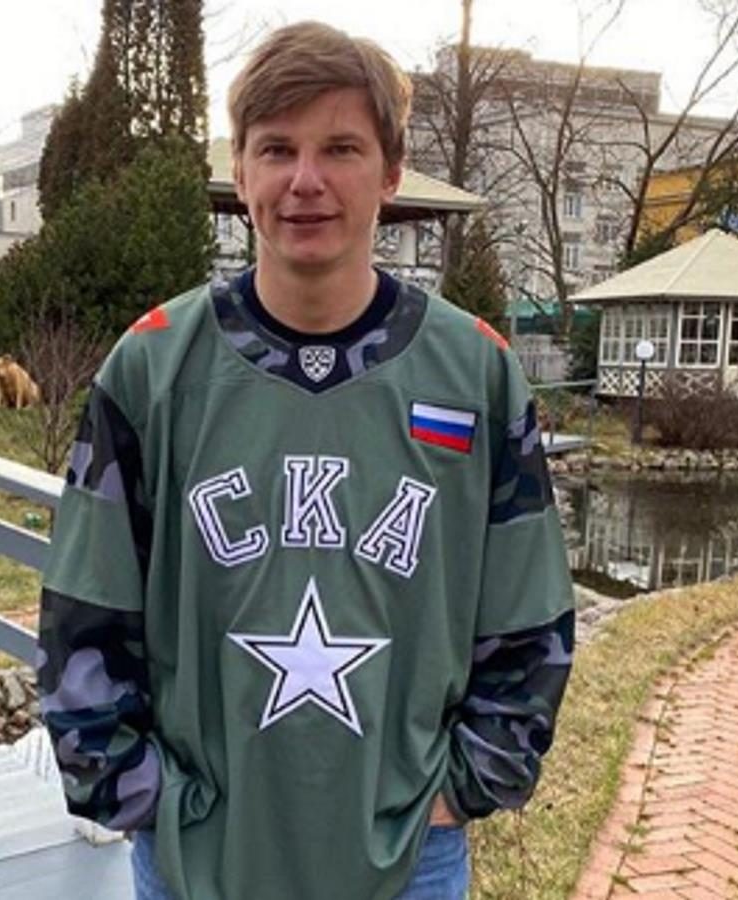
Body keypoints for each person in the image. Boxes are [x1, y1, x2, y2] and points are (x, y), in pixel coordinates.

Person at [36, 20, 574, 900]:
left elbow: (529, 610)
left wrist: (469, 783)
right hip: (198, 858)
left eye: (341, 148)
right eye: (277, 148)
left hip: (406, 856)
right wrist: (133, 789)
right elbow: (84, 606)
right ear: (241, 170)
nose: (306, 180)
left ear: (391, 172)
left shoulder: (474, 373)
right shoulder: (154, 368)